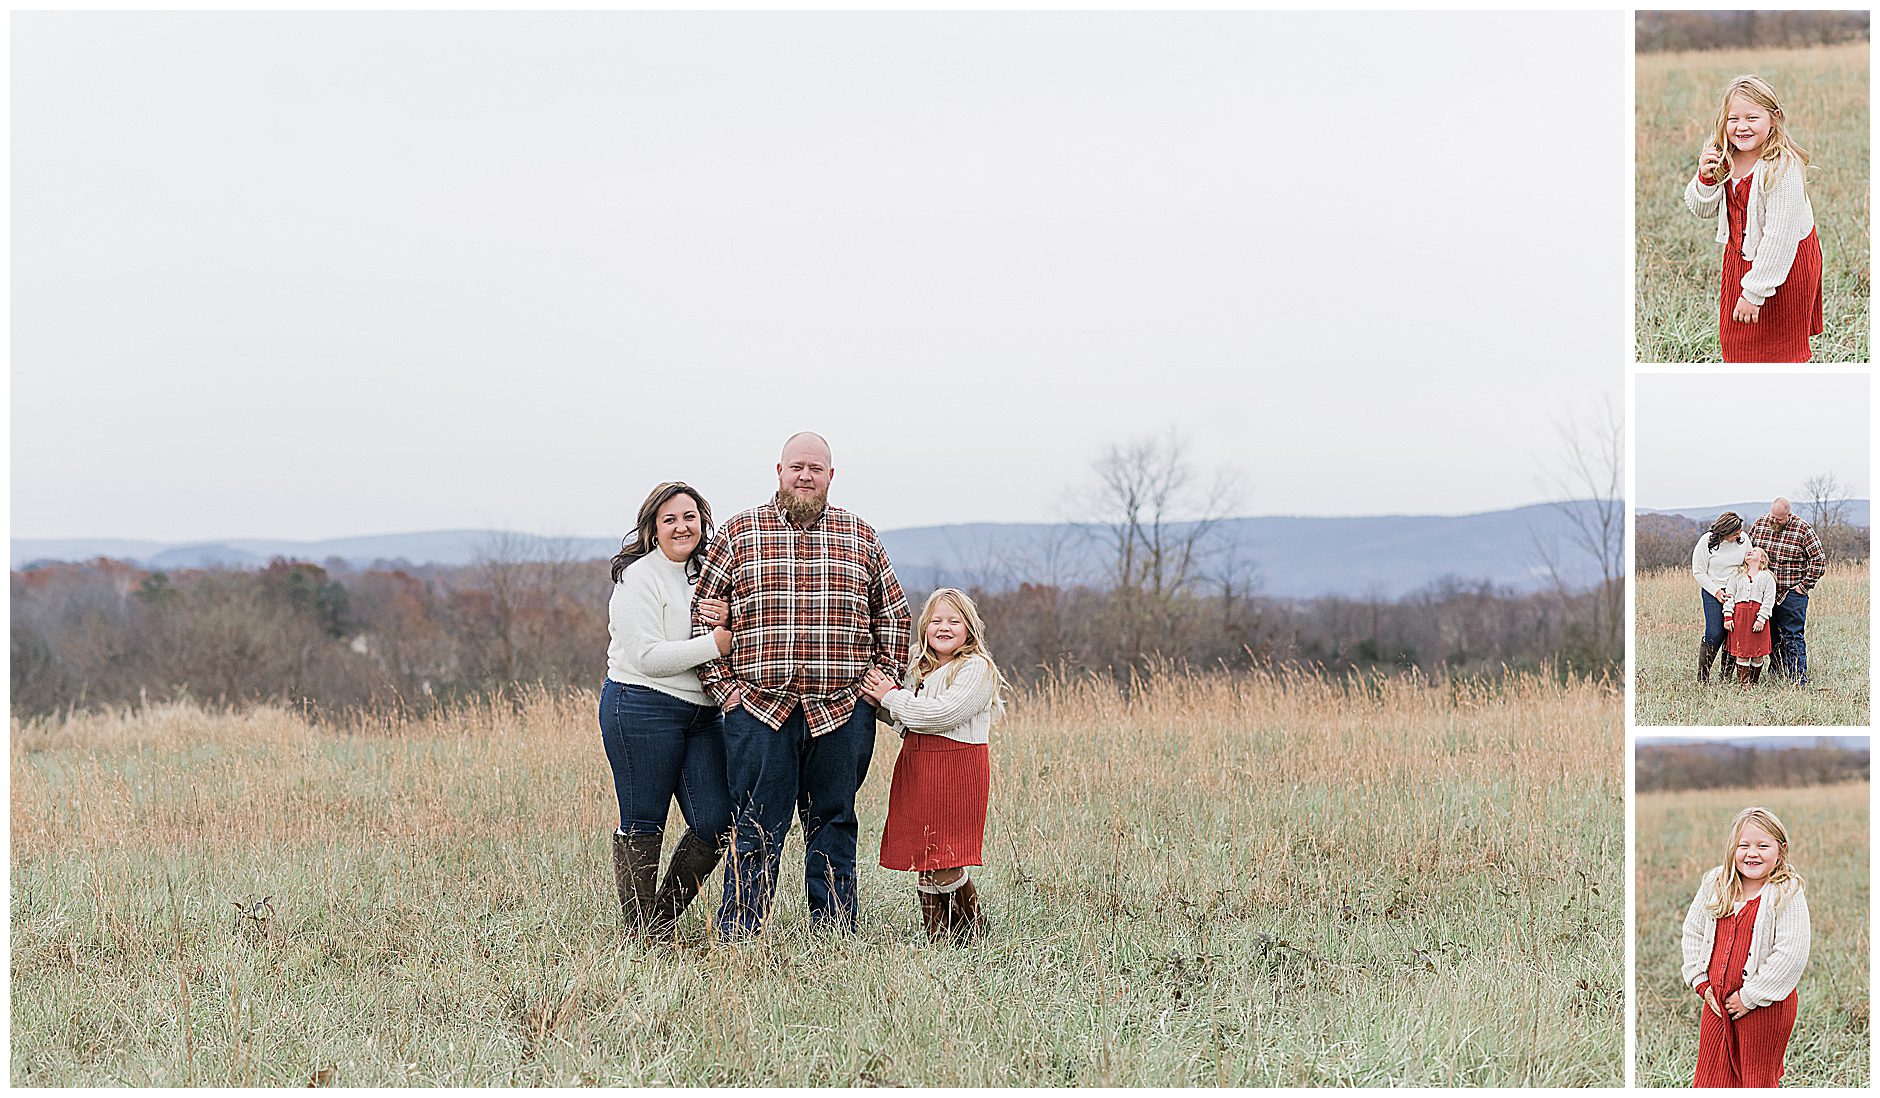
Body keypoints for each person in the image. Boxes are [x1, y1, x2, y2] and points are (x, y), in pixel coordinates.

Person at [691, 432, 911, 938]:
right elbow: (702, 619)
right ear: (779, 471)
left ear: (831, 476)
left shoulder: (861, 537)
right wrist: (729, 697)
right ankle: (740, 933)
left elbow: (895, 618)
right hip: (759, 711)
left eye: (816, 468)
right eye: (797, 467)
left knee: (834, 821)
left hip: (841, 711)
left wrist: (879, 686)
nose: (805, 476)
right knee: (755, 825)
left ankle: (834, 933)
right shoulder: (739, 533)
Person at [598, 482, 736, 940]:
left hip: (701, 713)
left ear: (703, 521)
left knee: (716, 821)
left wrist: (729, 619)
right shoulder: (639, 578)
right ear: (653, 528)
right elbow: (649, 657)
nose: (682, 527)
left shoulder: (711, 573)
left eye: (689, 517)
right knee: (644, 820)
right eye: (670, 519)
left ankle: (660, 919)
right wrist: (713, 642)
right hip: (641, 706)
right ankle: (640, 934)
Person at [862, 587, 1007, 945]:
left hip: (957, 767)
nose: (944, 627)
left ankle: (972, 929)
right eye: (936, 620)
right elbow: (907, 719)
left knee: (947, 855)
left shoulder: (977, 668)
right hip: (918, 763)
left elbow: (938, 715)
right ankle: (939, 937)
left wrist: (890, 696)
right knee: (923, 855)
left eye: (954, 621)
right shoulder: (920, 668)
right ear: (924, 625)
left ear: (969, 628)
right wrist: (877, 700)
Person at [1682, 75, 1822, 363]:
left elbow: (1780, 238)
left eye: (1752, 117)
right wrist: (1705, 179)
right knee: (1737, 342)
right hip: (1739, 257)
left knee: (1780, 349)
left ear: (1774, 118)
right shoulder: (1724, 155)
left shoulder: (1782, 166)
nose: (1741, 126)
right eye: (1733, 118)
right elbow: (1702, 209)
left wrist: (1754, 292)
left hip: (1785, 261)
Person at [1679, 807, 1810, 1087]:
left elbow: (1791, 954)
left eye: (1763, 846)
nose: (1753, 853)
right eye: (1744, 845)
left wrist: (1749, 997)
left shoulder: (1786, 891)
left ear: (1780, 850)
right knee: (1711, 1080)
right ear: (1732, 849)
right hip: (1717, 1003)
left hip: (1765, 1007)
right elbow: (1693, 933)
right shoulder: (1716, 883)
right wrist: (1702, 983)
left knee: (1756, 1081)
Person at [1747, 499, 1827, 685]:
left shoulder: (1803, 530)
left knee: (1792, 635)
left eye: (1779, 519)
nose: (1774, 521)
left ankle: (1798, 677)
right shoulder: (1760, 524)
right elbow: (1749, 551)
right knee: (1771, 635)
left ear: (1789, 516)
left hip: (1791, 592)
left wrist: (1803, 586)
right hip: (1764, 593)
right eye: (1772, 517)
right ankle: (1777, 672)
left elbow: (1819, 561)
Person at [1690, 512, 1750, 684]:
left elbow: (1748, 563)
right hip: (1713, 590)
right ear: (1724, 531)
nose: (1738, 536)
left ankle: (1726, 676)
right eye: (1735, 534)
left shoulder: (1744, 540)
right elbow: (1699, 572)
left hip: (1737, 590)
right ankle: (1703, 676)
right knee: (1715, 632)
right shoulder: (1706, 542)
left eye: (1739, 532)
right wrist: (1716, 591)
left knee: (1734, 632)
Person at [1721, 548, 1777, 685]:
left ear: (1762, 559)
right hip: (1740, 617)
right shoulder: (1736, 576)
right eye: (1748, 552)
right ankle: (1744, 684)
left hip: (1757, 617)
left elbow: (1769, 600)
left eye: (1755, 551)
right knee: (1742, 652)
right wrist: (1728, 616)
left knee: (1758, 654)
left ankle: (1753, 682)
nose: (1750, 552)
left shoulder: (1767, 577)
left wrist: (1761, 619)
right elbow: (1729, 596)